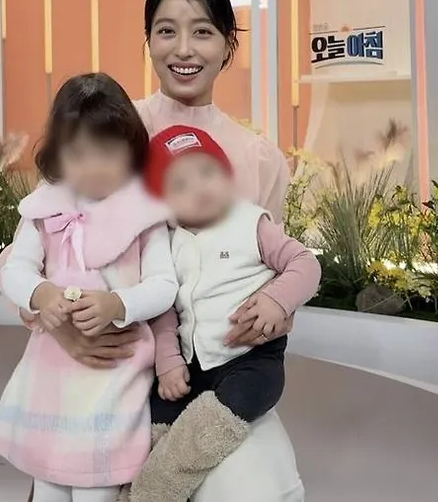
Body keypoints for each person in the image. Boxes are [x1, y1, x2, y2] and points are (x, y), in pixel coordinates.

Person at [2, 0, 305, 502]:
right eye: (166, 31)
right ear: (147, 40)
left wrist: (275, 311)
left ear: (228, 44)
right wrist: (64, 331)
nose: (183, 48)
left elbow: (274, 268)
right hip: (111, 369)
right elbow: (31, 247)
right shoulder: (111, 127)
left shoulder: (259, 159)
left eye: (203, 31)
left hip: (215, 372)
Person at [0, 73, 179, 502]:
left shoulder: (143, 212)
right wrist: (41, 295)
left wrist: (117, 303)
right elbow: (16, 269)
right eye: (78, 154)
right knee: (49, 478)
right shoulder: (45, 207)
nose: (93, 167)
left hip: (114, 374)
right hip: (52, 375)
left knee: (98, 483)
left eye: (107, 153)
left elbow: (164, 285)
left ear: (131, 149)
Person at [127, 125, 320, 501]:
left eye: (207, 172)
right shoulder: (168, 243)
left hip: (250, 359)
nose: (200, 188)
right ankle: (146, 476)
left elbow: (304, 263)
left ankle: (164, 478)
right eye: (180, 185)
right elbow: (164, 311)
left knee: (242, 398)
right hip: (194, 365)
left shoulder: (251, 223)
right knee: (158, 410)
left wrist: (277, 301)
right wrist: (168, 362)